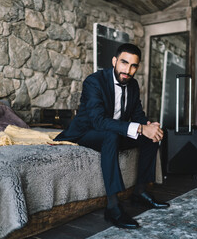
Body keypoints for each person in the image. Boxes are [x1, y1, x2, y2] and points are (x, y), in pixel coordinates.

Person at [54, 43, 169, 229]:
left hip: (113, 130)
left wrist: (149, 126)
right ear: (114, 61)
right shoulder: (94, 81)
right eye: (124, 63)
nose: (128, 70)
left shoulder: (133, 85)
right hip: (86, 132)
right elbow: (99, 121)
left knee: (151, 136)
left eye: (133, 66)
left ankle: (140, 192)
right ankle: (113, 207)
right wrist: (140, 128)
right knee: (111, 136)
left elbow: (138, 115)